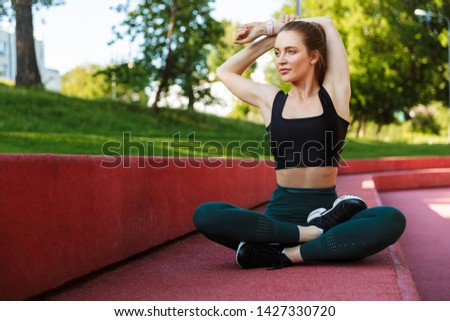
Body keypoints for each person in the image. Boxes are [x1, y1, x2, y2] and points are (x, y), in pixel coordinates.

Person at [192, 15, 406, 269]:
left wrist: (267, 26)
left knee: (391, 218)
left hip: (329, 212)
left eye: (291, 52)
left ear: (314, 56)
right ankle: (309, 237)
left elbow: (326, 22)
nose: (281, 59)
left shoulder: (334, 94)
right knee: (206, 215)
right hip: (279, 218)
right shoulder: (272, 100)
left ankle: (285, 254)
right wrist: (270, 39)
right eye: (278, 53)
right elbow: (225, 71)